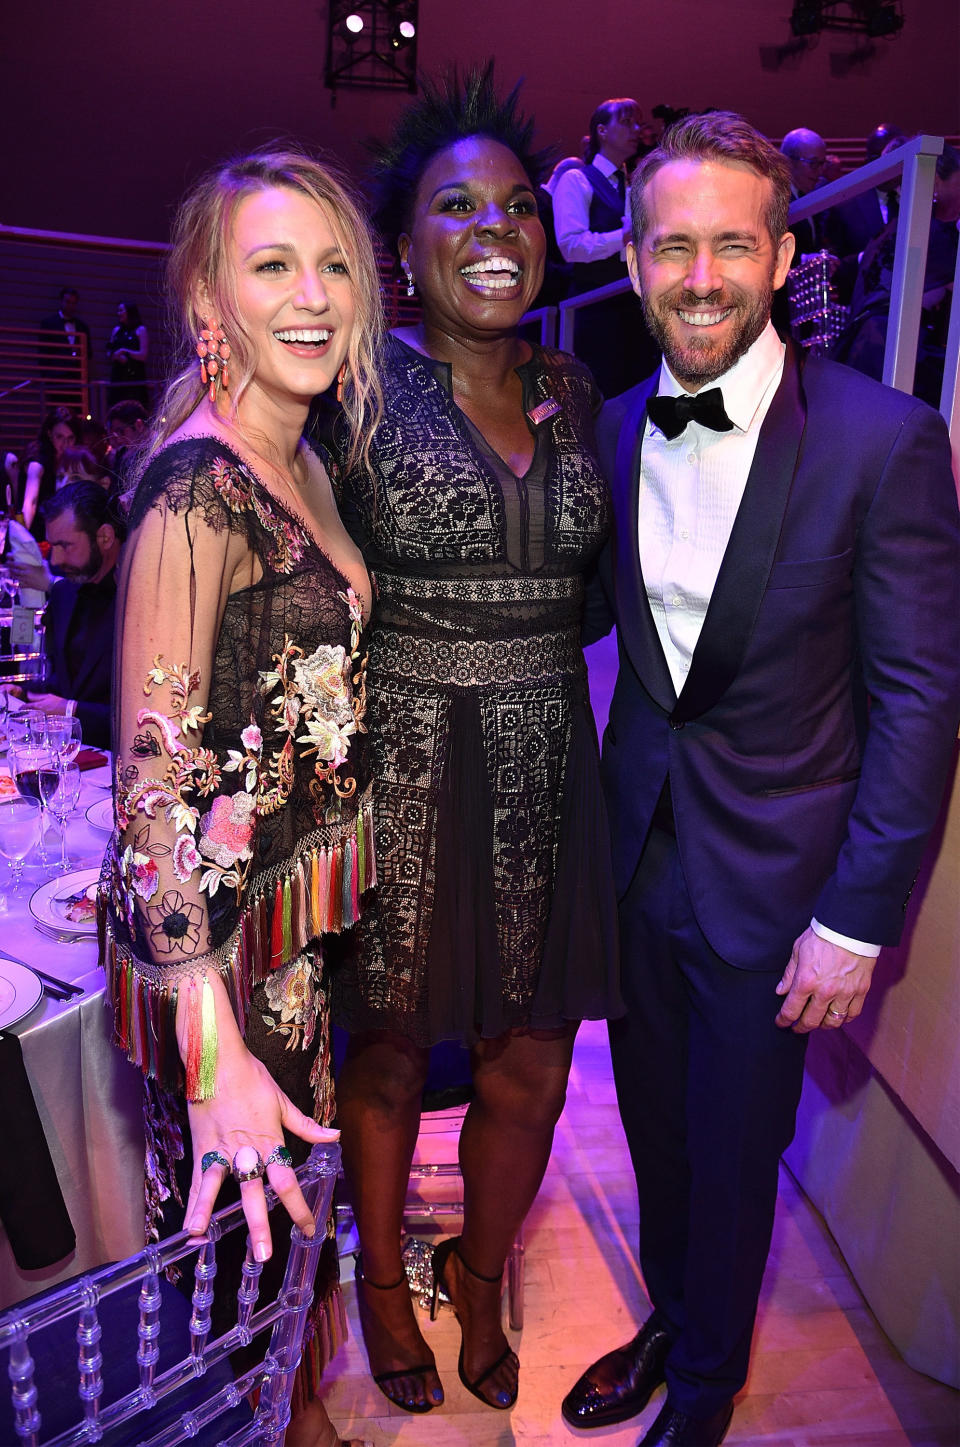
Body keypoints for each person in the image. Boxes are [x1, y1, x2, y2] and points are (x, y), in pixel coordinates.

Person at [561, 111, 960, 1447]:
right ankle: (677, 1314)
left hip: (780, 889)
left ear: (784, 256)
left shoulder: (882, 440)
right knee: (658, 1134)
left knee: (736, 1155)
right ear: (633, 265)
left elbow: (917, 699)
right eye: (674, 245)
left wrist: (853, 921)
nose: (703, 275)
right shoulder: (615, 430)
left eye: (736, 242)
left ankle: (711, 1378)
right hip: (639, 859)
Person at [326, 64, 621, 1419]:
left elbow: (609, 589)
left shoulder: (575, 390)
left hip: (550, 762)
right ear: (402, 244)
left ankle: (479, 1260)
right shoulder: (357, 393)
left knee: (533, 1056)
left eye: (518, 207)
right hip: (399, 765)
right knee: (385, 1047)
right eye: (457, 206)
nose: (496, 231)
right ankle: (384, 1282)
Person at [99, 147, 384, 1447]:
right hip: (210, 963)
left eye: (334, 263)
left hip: (291, 939)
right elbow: (153, 799)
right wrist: (209, 1058)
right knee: (233, 1257)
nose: (315, 293)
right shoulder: (192, 492)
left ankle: (305, 1410)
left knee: (282, 1253)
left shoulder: (303, 460)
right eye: (275, 264)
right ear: (210, 301)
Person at [552, 97, 657, 395]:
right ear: (602, 131)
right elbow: (570, 246)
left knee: (638, 395)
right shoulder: (577, 179)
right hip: (595, 311)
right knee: (601, 397)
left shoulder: (635, 185)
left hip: (634, 310)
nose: (636, 129)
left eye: (638, 122)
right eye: (626, 122)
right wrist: (622, 239)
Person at [24, 480, 123, 748]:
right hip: (68, 759)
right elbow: (67, 685)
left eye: (65, 546)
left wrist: (72, 711)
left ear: (105, 537)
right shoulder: (63, 594)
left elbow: (145, 717)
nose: (54, 560)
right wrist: (23, 695)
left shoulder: (137, 601)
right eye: (52, 545)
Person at [18, 406, 77, 537]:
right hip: (35, 532)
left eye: (71, 438)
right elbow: (30, 502)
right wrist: (21, 538)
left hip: (56, 530)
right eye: (60, 437)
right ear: (49, 434)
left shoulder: (71, 458)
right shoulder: (37, 461)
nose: (65, 444)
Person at [39, 287, 91, 406]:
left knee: (77, 414)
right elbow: (43, 353)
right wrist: (47, 378)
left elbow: (89, 353)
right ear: (61, 302)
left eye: (73, 303)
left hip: (77, 380)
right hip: (57, 380)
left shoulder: (82, 327)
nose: (70, 306)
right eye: (67, 302)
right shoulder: (48, 324)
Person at [106, 299, 150, 407]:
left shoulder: (140, 330)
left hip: (134, 377)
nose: (119, 314)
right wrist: (115, 356)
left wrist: (126, 352)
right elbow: (109, 350)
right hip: (118, 376)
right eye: (118, 311)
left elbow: (143, 355)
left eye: (121, 311)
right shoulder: (116, 330)